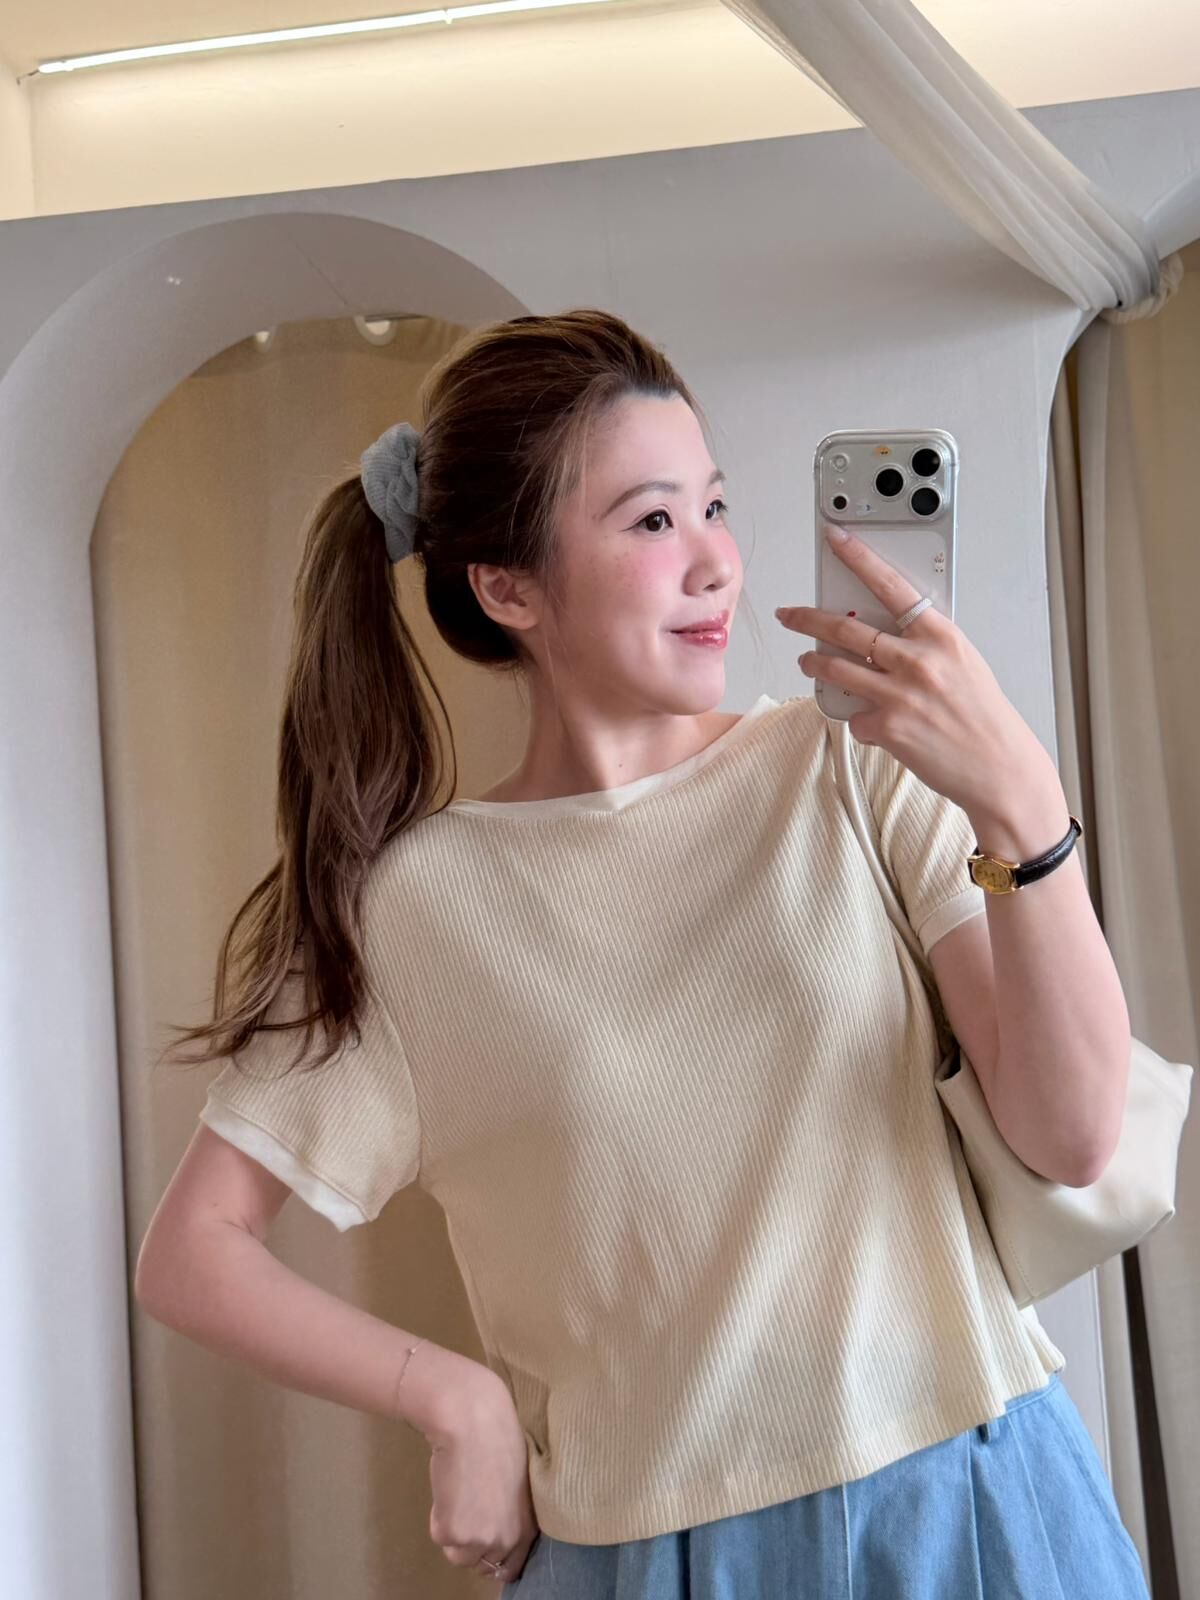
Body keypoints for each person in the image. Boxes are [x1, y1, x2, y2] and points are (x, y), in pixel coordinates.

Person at [135, 308, 1149, 1597]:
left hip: (966, 1505)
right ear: (508, 589)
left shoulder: (850, 769)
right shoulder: (418, 909)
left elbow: (1073, 1135)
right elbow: (195, 1250)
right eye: (654, 521)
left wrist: (1020, 803)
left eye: (714, 507)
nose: (716, 562)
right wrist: (452, 1400)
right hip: (641, 1557)